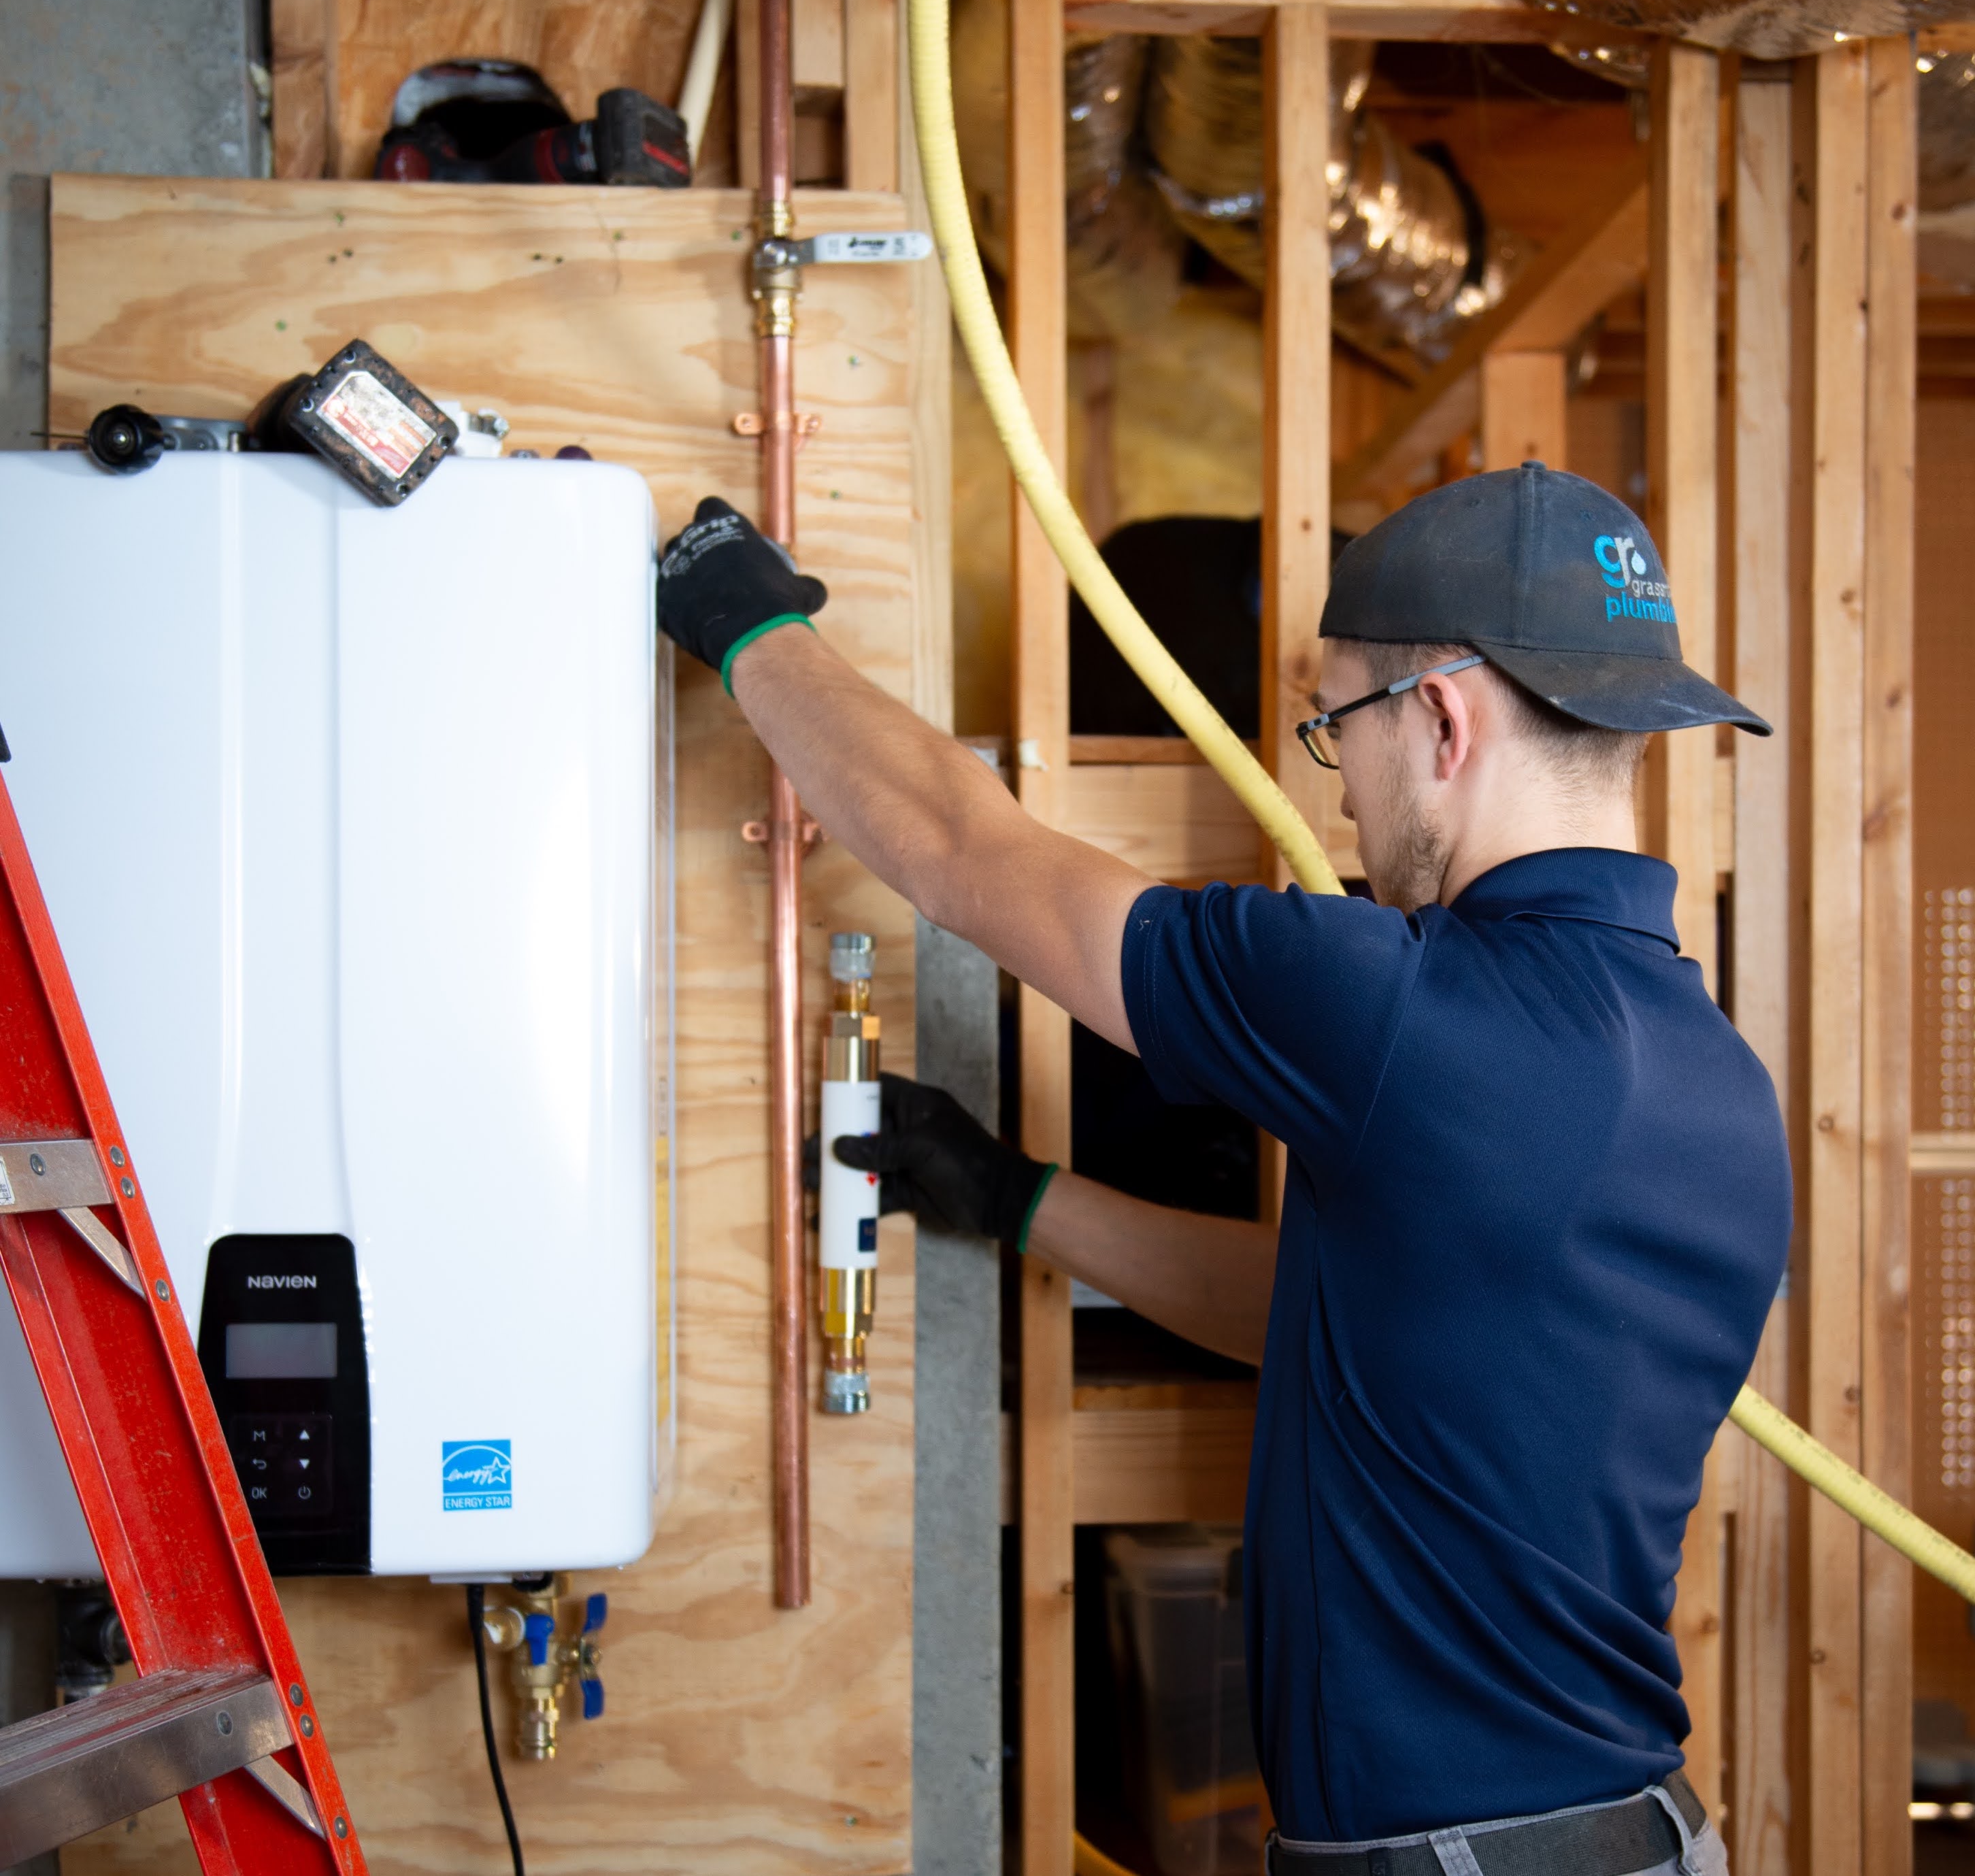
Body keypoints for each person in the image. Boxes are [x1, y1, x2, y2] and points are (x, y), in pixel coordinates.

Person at [655, 460, 1791, 1875]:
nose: (1346, 808)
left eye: (1335, 732)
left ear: (1438, 716)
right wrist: (1011, 1195)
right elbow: (1355, 1318)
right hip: (1634, 1837)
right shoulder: (1722, 1092)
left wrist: (749, 625)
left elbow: (961, 853)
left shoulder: (1402, 1012)